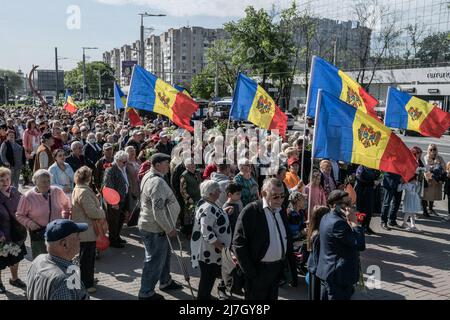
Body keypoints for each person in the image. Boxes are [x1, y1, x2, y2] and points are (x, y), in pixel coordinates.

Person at [233, 178, 296, 300]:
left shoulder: (280, 210)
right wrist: (251, 272)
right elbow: (238, 244)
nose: (280, 200)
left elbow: (286, 237)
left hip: (276, 270)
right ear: (263, 194)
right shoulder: (251, 211)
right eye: (275, 196)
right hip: (258, 271)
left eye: (282, 196)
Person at [138, 153, 183, 300]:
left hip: (153, 225)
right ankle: (146, 292)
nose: (169, 166)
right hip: (155, 227)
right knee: (154, 260)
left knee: (164, 256)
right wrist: (169, 228)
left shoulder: (149, 176)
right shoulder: (157, 182)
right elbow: (158, 211)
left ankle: (165, 281)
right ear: (157, 165)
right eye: (166, 163)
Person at [316, 190, 365, 300]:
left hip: (329, 272)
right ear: (335, 205)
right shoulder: (337, 223)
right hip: (338, 276)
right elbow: (360, 245)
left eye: (351, 203)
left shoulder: (326, 216)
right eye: (347, 204)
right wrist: (355, 224)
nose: (351, 207)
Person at [26, 219, 89, 300]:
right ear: (64, 244)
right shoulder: (64, 283)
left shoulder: (38, 260)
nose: (80, 239)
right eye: (77, 236)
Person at [190, 180, 232, 300]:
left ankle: (205, 296)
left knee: (210, 277)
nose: (220, 192)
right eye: (217, 190)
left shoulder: (210, 203)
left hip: (213, 252)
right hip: (210, 252)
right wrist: (221, 248)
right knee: (207, 278)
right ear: (211, 193)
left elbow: (214, 219)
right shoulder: (207, 207)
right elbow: (207, 232)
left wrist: (224, 212)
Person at [16, 169, 71, 258]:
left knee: (59, 259)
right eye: (44, 181)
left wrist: (64, 217)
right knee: (41, 262)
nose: (47, 184)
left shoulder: (57, 191)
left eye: (48, 181)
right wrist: (30, 223)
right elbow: (19, 215)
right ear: (36, 182)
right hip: (39, 234)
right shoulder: (28, 197)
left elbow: (66, 205)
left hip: (56, 232)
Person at [71, 166, 106, 293]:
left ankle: (87, 279)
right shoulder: (84, 191)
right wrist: (101, 212)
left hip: (83, 228)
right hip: (86, 229)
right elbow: (91, 212)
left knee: (85, 257)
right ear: (88, 177)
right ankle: (86, 283)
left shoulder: (79, 188)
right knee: (86, 258)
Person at [0, 168, 27, 294]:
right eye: (1, 180)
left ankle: (14, 279)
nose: (6, 182)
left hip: (17, 234)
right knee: (1, 261)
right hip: (3, 238)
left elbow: (26, 204)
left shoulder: (15, 191)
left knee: (16, 258)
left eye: (8, 179)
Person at [103, 150, 130, 248]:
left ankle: (117, 236)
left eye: (126, 161)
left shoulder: (122, 167)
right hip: (114, 201)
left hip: (123, 198)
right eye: (124, 162)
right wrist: (114, 202)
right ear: (117, 160)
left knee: (120, 219)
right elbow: (108, 187)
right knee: (113, 221)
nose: (125, 163)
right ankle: (113, 240)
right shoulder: (110, 169)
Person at [306, 205, 330, 301]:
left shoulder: (315, 231)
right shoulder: (318, 235)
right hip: (316, 271)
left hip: (314, 269)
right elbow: (317, 258)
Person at [354, 165, 380, 235]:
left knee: (369, 210)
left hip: (370, 191)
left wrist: (378, 180)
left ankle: (367, 226)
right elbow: (360, 179)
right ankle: (362, 227)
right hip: (361, 192)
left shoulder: (373, 169)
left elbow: (376, 176)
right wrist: (372, 183)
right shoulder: (361, 168)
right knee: (362, 210)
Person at [179, 158, 202, 238]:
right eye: (190, 164)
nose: (193, 166)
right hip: (190, 199)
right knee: (189, 218)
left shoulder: (198, 173)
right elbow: (182, 190)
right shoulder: (184, 175)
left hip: (199, 197)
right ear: (186, 166)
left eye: (193, 164)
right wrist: (188, 198)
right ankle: (189, 233)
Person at [423, 144, 446, 216]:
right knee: (425, 196)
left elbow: (444, 167)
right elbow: (426, 169)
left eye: (434, 149)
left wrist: (439, 164)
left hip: (436, 180)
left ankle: (430, 209)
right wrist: (430, 178)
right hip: (428, 179)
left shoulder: (439, 158)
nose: (433, 151)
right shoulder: (426, 157)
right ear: (428, 150)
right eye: (431, 149)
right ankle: (425, 211)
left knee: (433, 195)